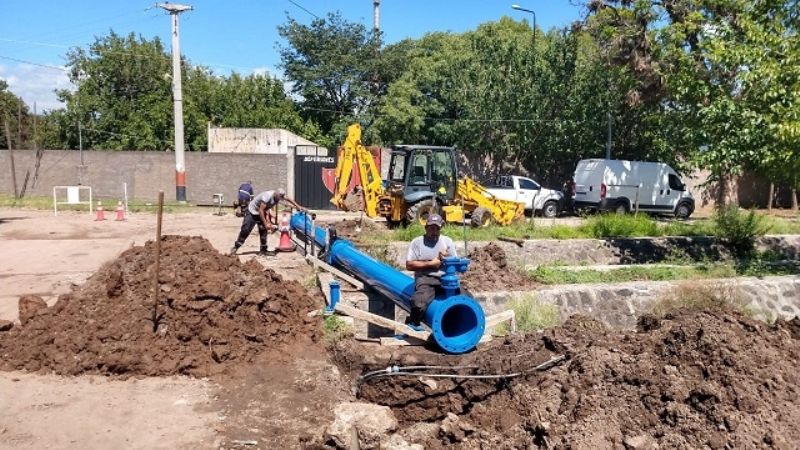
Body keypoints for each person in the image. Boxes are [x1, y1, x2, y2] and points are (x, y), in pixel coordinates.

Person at [405, 213, 457, 331]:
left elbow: (455, 263)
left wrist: (447, 258)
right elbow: (409, 265)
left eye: (437, 228)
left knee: (467, 297)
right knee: (419, 303)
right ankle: (413, 323)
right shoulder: (417, 243)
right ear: (426, 227)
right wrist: (430, 264)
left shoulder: (447, 242)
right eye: (431, 228)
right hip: (426, 279)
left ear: (441, 228)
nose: (434, 231)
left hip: (445, 280)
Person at [230, 188, 306, 255]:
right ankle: (236, 247)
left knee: (263, 231)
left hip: (262, 212)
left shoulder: (279, 195)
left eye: (280, 199)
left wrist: (297, 206)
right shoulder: (267, 196)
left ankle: (263, 250)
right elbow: (260, 210)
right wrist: (266, 222)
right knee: (245, 229)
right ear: (276, 195)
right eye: (278, 198)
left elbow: (288, 199)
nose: (279, 200)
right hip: (252, 212)